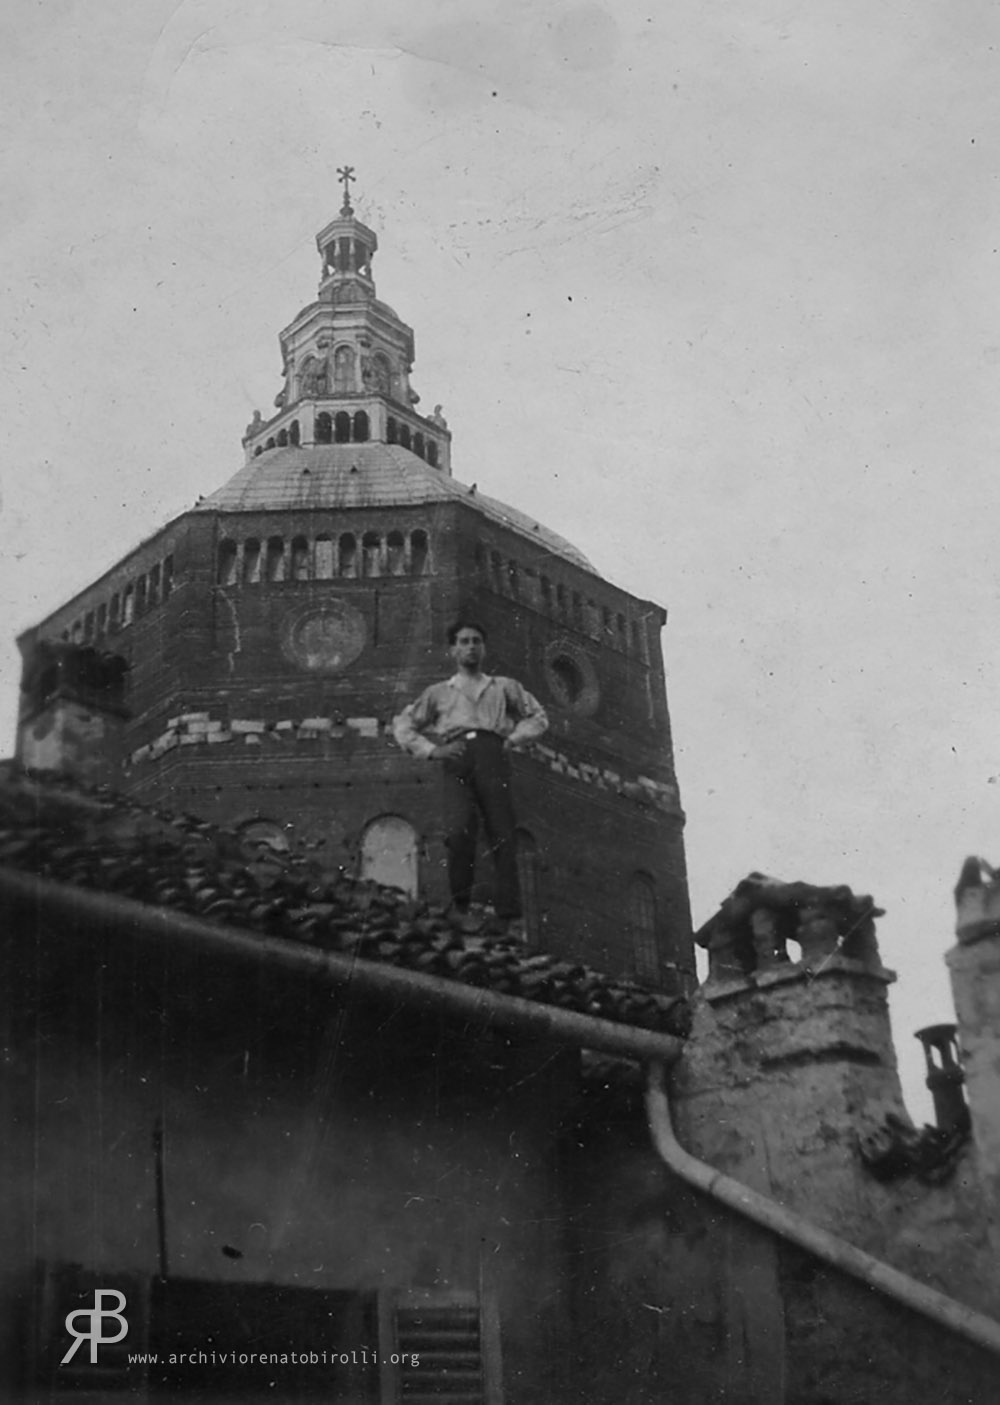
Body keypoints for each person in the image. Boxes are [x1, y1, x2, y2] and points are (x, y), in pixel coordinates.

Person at [392, 620, 548, 933]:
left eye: (476, 641)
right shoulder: (439, 693)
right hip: (458, 755)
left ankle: (509, 912)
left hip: (493, 754)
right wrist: (432, 751)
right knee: (460, 828)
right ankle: (460, 905)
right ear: (453, 650)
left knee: (502, 831)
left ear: (484, 648)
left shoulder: (504, 687)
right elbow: (404, 725)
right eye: (463, 642)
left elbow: (538, 717)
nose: (470, 647)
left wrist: (513, 739)